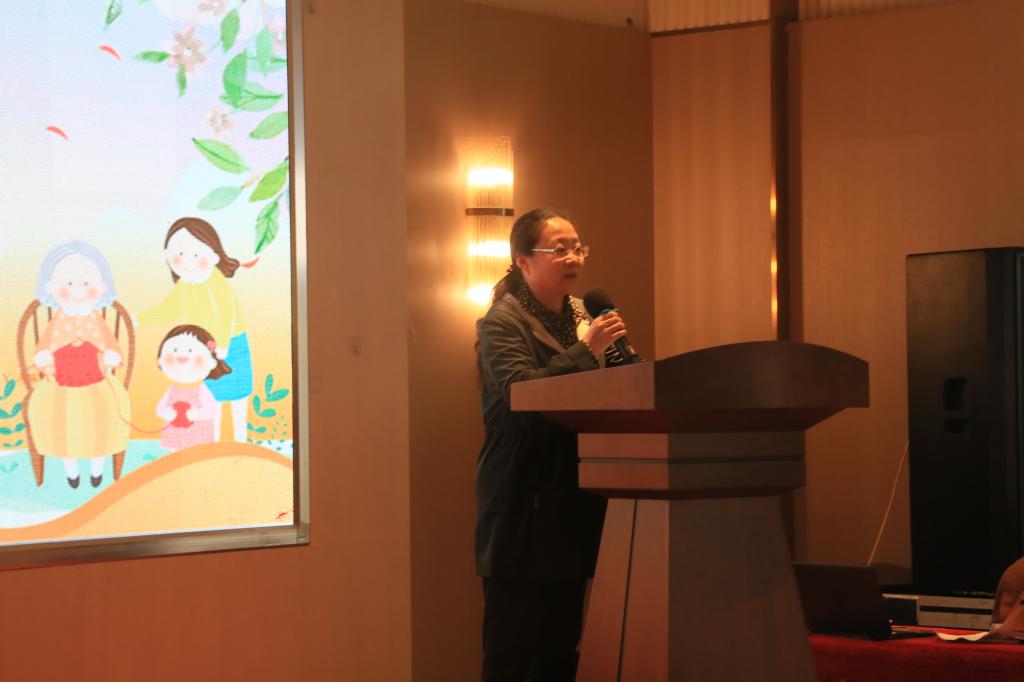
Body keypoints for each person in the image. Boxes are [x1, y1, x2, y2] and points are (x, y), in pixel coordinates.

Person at [475, 208, 630, 681]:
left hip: (575, 499)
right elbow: (521, 394)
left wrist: (632, 367)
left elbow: (624, 380)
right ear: (523, 261)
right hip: (522, 502)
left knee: (561, 648)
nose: (573, 257)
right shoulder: (502, 322)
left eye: (577, 248)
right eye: (558, 249)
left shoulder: (586, 314)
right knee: (513, 650)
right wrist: (587, 351)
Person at [138, 217, 253, 442]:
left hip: (231, 343)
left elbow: (226, 314)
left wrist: (222, 344)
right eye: (180, 254)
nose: (187, 260)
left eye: (195, 254)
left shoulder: (217, 283)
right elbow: (168, 310)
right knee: (211, 398)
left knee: (239, 396)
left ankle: (241, 440)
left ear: (213, 256)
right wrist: (140, 319)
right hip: (204, 348)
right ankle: (214, 443)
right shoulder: (185, 285)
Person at [27, 241, 131, 488]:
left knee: (107, 415)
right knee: (57, 419)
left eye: (85, 283)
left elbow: (110, 344)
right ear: (53, 287)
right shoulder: (57, 322)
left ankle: (97, 468)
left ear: (100, 287)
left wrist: (111, 356)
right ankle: (71, 471)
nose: (78, 291)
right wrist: (44, 356)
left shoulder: (95, 320)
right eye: (69, 284)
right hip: (59, 383)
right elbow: (45, 346)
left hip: (98, 380)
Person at [155, 324, 231, 452]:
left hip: (198, 434)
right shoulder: (172, 389)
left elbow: (210, 410)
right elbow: (160, 408)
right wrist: (167, 413)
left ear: (210, 362)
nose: (182, 357)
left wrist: (195, 414)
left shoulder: (202, 390)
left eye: (190, 351)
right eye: (175, 350)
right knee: (175, 454)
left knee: (197, 454)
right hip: (174, 433)